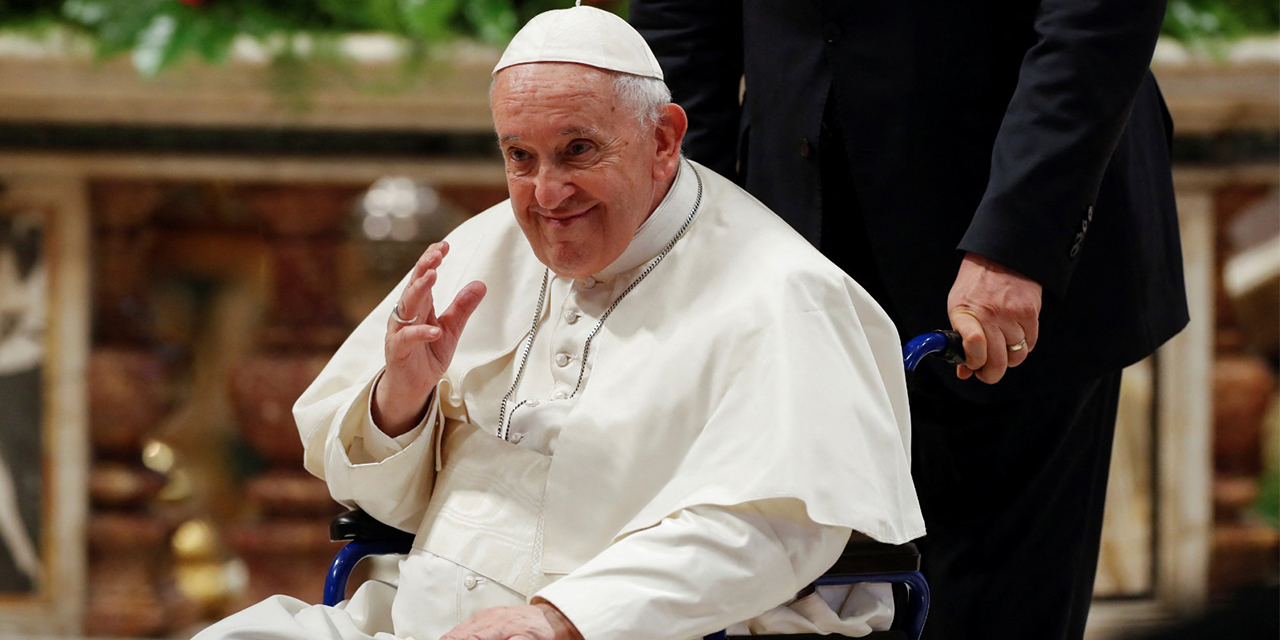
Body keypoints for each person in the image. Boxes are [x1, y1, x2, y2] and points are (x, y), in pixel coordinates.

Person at [195, 6, 924, 640]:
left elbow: (774, 528)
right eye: (520, 157)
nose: (547, 194)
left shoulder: (783, 294)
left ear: (665, 139)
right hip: (410, 619)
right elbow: (379, 501)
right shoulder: (483, 248)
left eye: (578, 150)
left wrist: (568, 617)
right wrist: (400, 405)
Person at [628, 2, 1189, 640]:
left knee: (998, 609)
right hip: (788, 236)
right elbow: (679, 31)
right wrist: (684, 240)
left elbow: (1096, 15)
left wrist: (1016, 241)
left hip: (1005, 240)